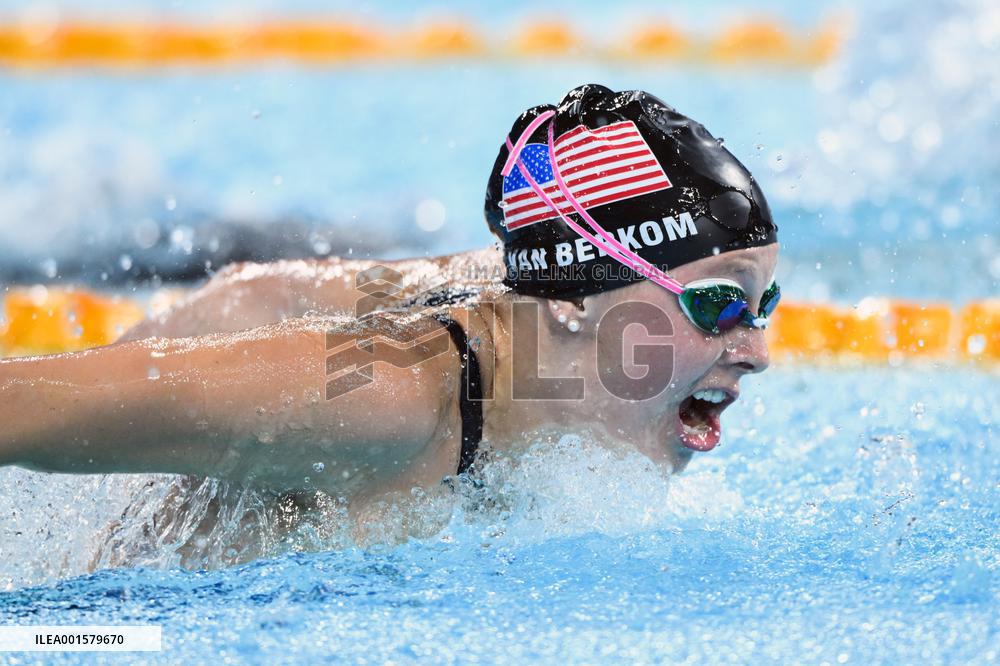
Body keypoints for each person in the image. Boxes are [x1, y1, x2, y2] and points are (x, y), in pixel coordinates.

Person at [0, 84, 779, 548]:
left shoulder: (524, 299)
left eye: (764, 304)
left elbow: (273, 291)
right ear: (576, 303)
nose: (758, 350)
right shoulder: (384, 401)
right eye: (720, 305)